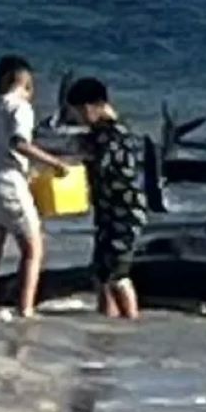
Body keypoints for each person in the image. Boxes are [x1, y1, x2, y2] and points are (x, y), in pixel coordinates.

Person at [0, 55, 71, 322]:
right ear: (24, 82)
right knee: (32, 250)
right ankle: (25, 310)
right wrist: (55, 163)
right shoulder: (20, 108)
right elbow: (19, 143)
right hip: (9, 186)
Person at [66, 77, 147, 319]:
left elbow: (100, 163)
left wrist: (70, 162)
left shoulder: (114, 134)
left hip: (125, 215)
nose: (79, 119)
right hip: (107, 213)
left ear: (92, 106)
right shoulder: (101, 133)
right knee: (101, 273)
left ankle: (132, 322)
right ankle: (107, 323)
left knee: (118, 275)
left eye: (80, 113)